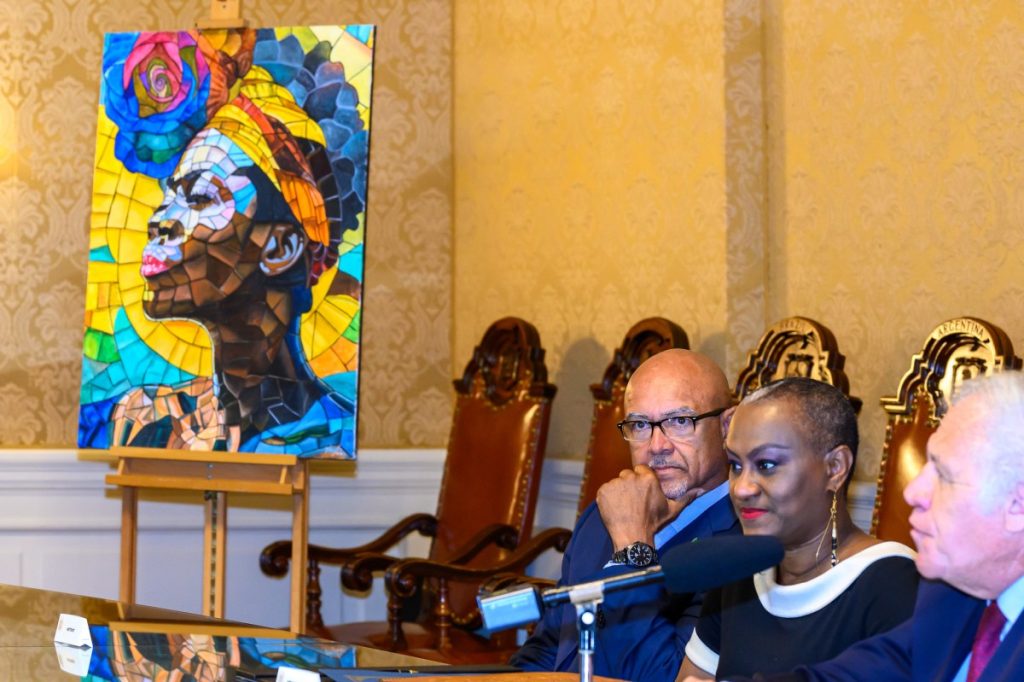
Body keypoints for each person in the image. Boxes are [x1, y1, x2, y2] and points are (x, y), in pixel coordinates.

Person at [104, 30, 363, 457]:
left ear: (279, 250)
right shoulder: (148, 420)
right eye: (169, 196)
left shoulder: (333, 441)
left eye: (201, 197)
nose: (159, 221)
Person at [732, 371, 1024, 682]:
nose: (913, 493)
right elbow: (858, 675)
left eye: (944, 476)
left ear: (1017, 506)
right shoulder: (951, 591)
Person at [510, 349, 740, 680]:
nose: (657, 445)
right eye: (640, 425)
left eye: (679, 421)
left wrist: (632, 546)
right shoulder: (603, 514)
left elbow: (661, 676)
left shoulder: (738, 545)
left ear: (726, 426)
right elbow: (550, 646)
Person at [676, 378, 918, 681]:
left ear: (835, 468)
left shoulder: (893, 581)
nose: (741, 489)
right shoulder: (736, 573)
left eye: (765, 465)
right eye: (736, 465)